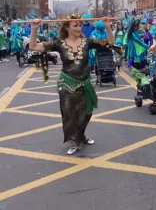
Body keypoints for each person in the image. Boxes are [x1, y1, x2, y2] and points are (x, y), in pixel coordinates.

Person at [28, 15, 115, 155]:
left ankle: (80, 135)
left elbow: (110, 42)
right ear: (67, 27)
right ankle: (74, 141)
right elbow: (33, 46)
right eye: (75, 25)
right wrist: (34, 29)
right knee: (69, 113)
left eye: (80, 25)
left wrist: (107, 25)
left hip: (85, 82)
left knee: (87, 112)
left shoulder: (87, 42)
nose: (78, 28)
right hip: (66, 82)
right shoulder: (60, 42)